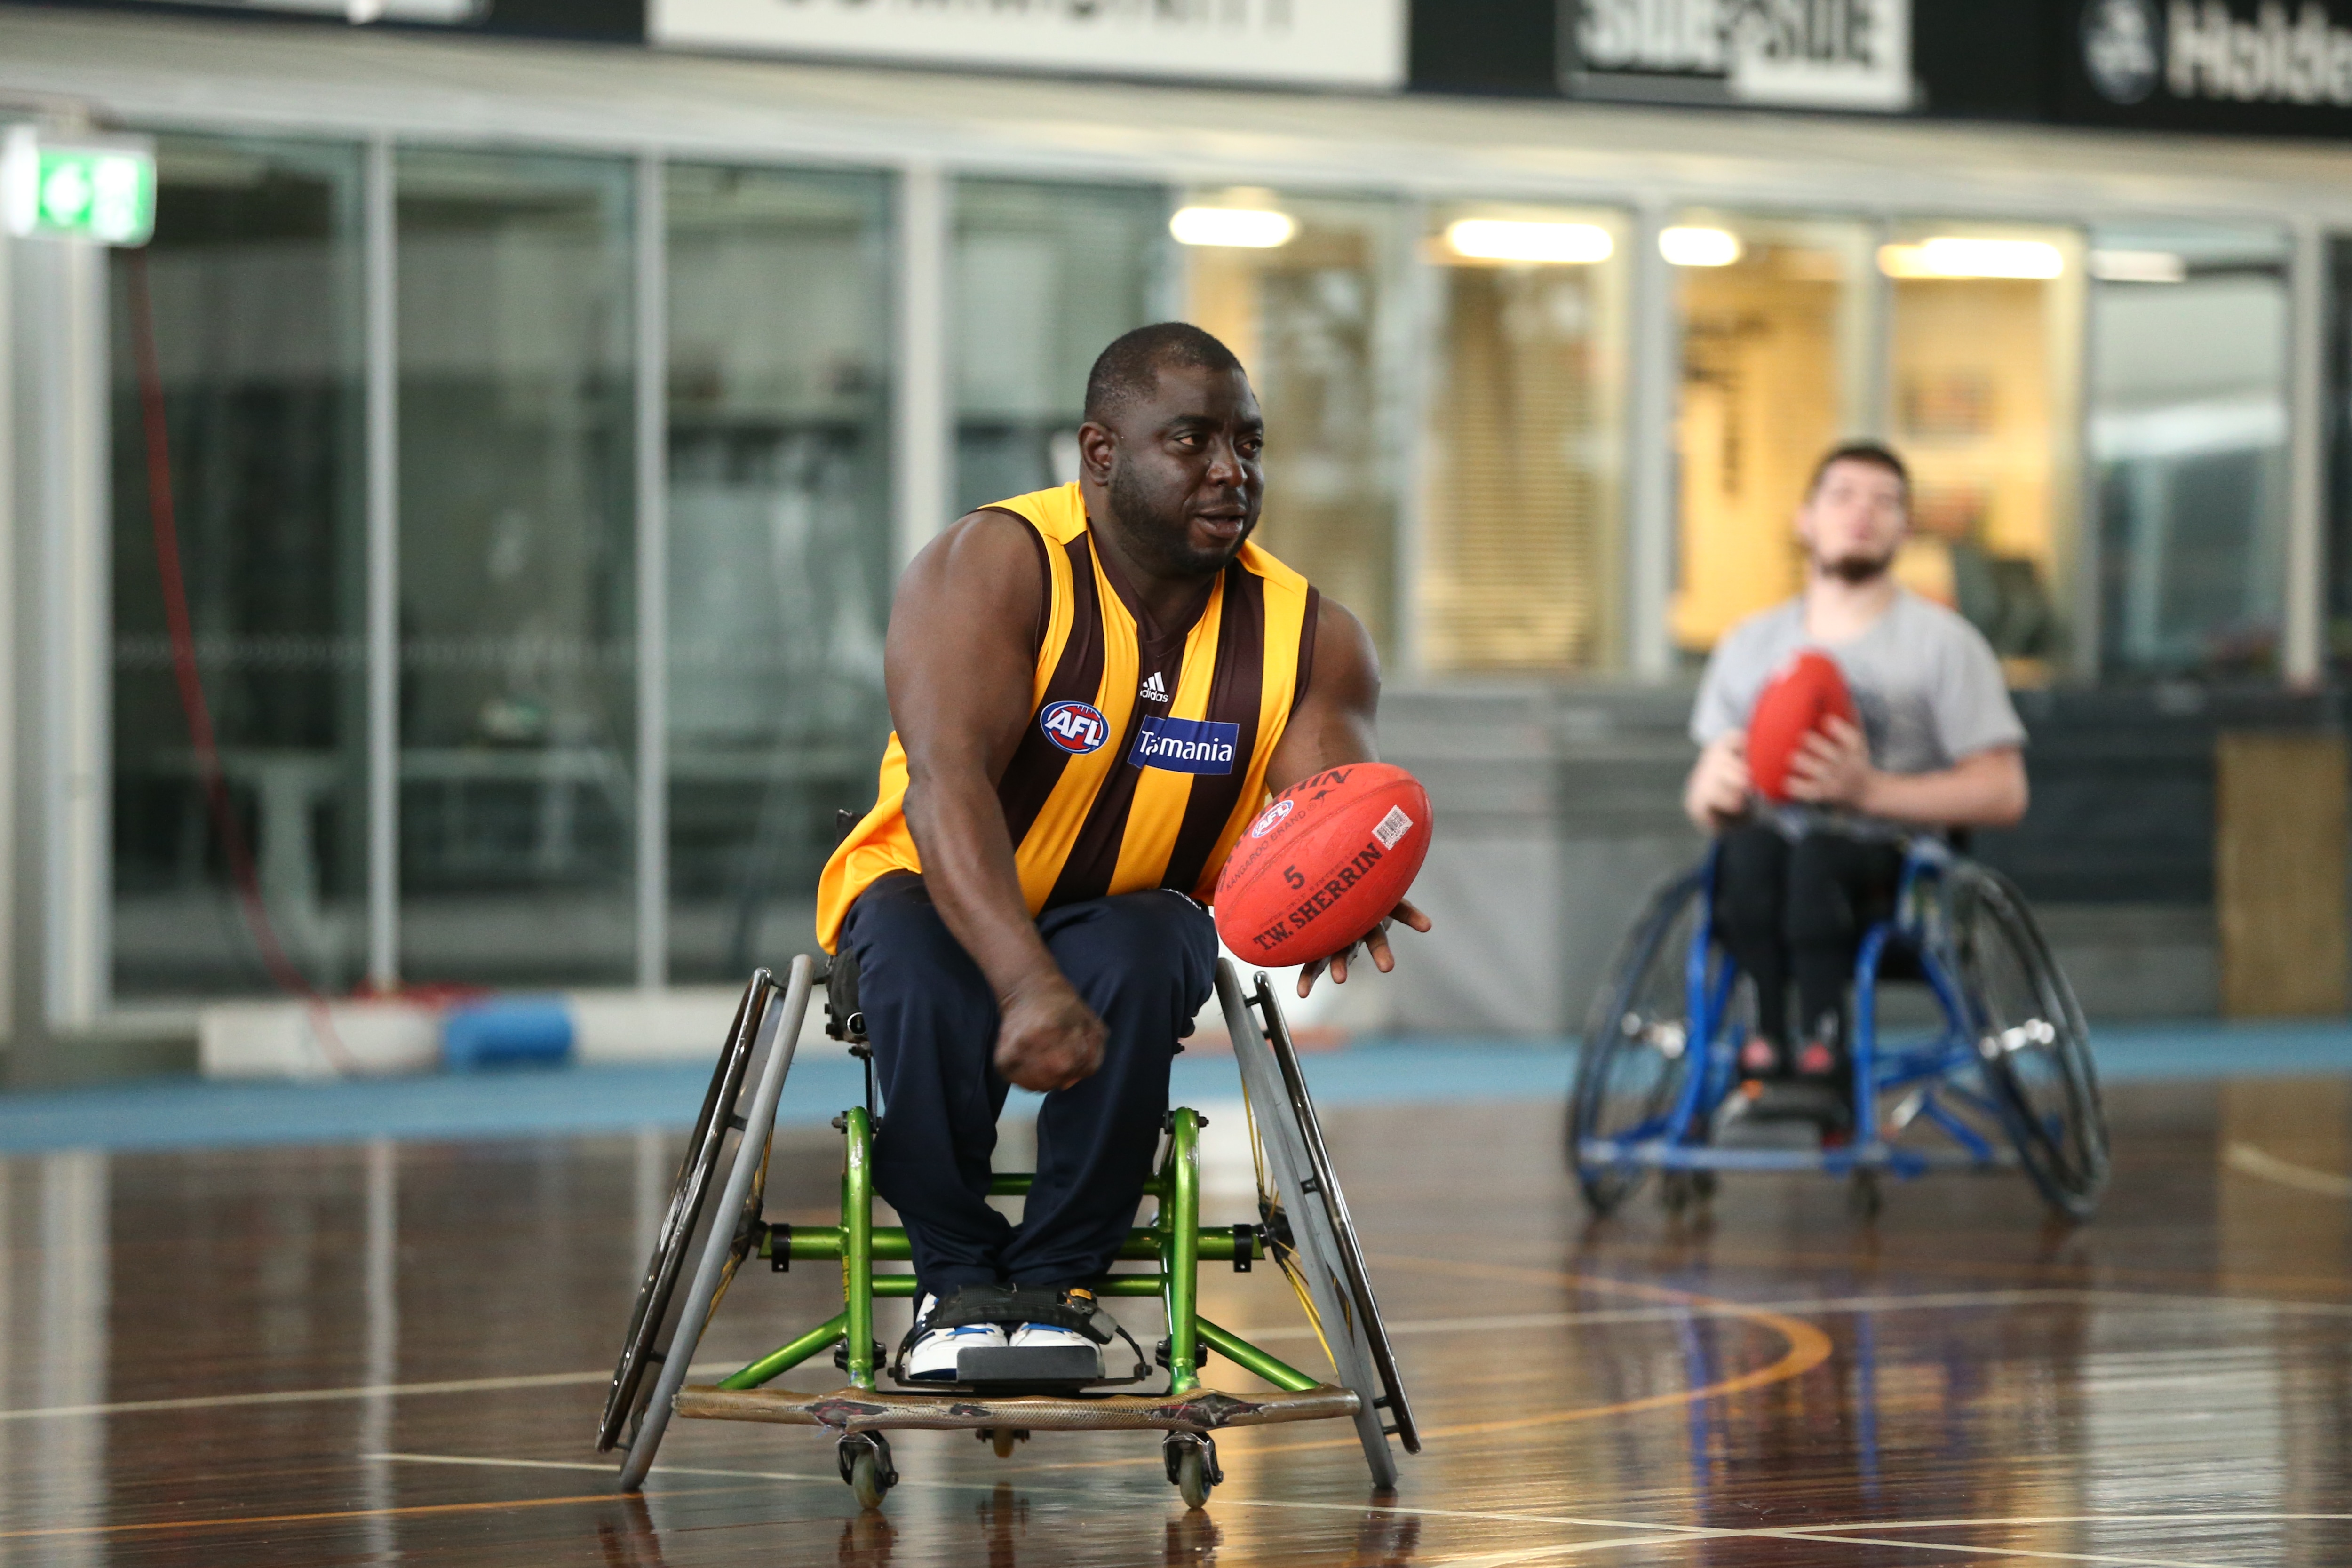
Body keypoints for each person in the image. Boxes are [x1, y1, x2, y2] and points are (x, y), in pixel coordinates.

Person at [815, 322, 1429, 1383]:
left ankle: (1062, 1284)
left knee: (1152, 940)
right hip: (935, 891)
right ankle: (952, 1281)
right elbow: (945, 786)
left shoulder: (1308, 635)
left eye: (1249, 443)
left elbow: (1326, 815)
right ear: (1100, 453)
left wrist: (1355, 887)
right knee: (917, 953)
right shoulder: (994, 566)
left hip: (1124, 919)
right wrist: (1024, 982)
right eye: (1191, 440)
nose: (1231, 471)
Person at [1683, 440, 2027, 1115]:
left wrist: (1871, 791)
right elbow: (1704, 794)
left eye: (1885, 501)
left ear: (1905, 528)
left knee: (1815, 857)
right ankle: (1766, 1041)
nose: (1862, 514)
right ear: (1805, 518)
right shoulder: (1749, 644)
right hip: (1769, 865)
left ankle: (1825, 1043)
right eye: (1843, 496)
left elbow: (2006, 791)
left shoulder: (1945, 644)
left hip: (1892, 873)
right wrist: (1715, 795)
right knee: (1745, 851)